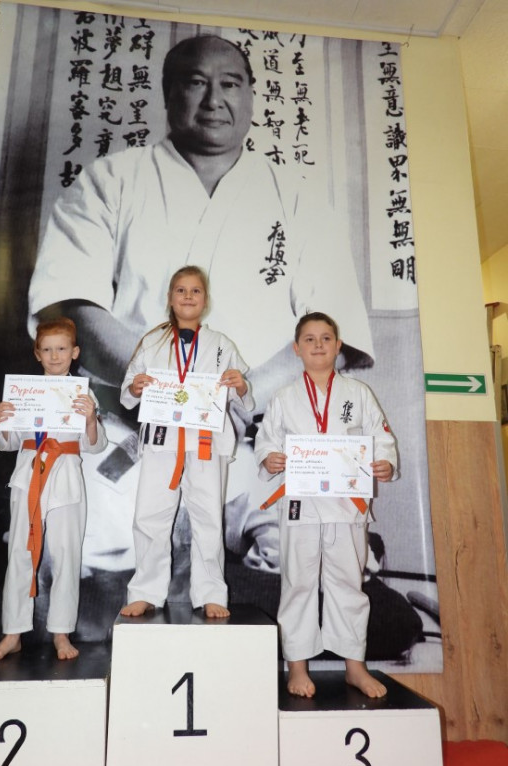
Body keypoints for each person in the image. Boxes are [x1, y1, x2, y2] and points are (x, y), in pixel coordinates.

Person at [28, 33, 374, 578]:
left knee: (336, 551)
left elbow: (335, 331)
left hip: (260, 432)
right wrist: (169, 392)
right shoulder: (110, 180)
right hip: (131, 430)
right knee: (61, 541)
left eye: (230, 84)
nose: (215, 99)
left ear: (251, 96)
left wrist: (242, 393)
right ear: (168, 94)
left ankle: (230, 553)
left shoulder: (299, 195)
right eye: (196, 83)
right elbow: (70, 308)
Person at [254, 312, 397, 698]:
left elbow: (380, 437)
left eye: (326, 338)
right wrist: (270, 458)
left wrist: (385, 462)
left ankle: (355, 667)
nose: (318, 345)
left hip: (346, 504)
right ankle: (297, 666)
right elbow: (266, 441)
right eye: (310, 339)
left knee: (348, 583)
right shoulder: (283, 397)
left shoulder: (359, 394)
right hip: (300, 504)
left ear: (338, 346)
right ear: (297, 349)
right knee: (298, 583)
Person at [120, 266, 253, 618]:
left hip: (206, 441)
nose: (188, 296)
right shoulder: (151, 342)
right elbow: (127, 392)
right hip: (162, 439)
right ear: (169, 298)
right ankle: (145, 590)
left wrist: (240, 385)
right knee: (150, 514)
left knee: (208, 518)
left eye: (196, 290)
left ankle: (211, 593)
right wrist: (136, 387)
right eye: (181, 290)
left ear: (205, 300)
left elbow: (242, 399)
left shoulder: (222, 344)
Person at [0, 317, 107, 662]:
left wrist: (91, 419)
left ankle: (61, 633)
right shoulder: (22, 392)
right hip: (27, 474)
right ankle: (12, 633)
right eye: (48, 350)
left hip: (66, 475)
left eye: (62, 349)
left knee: (67, 554)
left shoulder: (84, 393)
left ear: (74, 352)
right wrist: (3, 420)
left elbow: (95, 446)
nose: (55, 356)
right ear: (37, 353)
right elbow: (8, 443)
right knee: (20, 552)